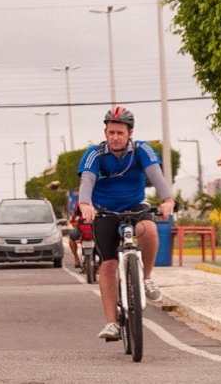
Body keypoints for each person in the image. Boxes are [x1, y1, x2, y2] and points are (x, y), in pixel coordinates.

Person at [77, 107, 174, 340]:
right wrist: (85, 204)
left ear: (130, 133)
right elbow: (87, 179)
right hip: (104, 211)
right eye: (111, 132)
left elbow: (156, 175)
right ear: (105, 132)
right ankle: (111, 323)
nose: (115, 137)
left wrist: (167, 199)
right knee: (108, 264)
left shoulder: (142, 149)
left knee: (150, 230)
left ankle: (147, 278)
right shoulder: (95, 154)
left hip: (135, 207)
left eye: (120, 132)